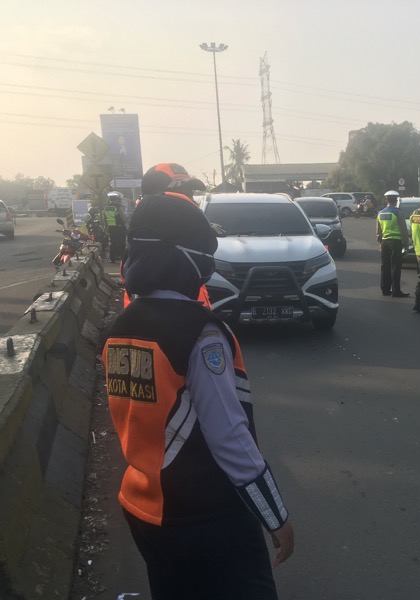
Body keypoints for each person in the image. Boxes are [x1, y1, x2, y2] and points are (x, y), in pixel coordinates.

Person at [102, 192, 294, 599]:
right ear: (185, 258)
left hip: (143, 510)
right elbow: (229, 438)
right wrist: (275, 516)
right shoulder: (200, 334)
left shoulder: (120, 327)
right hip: (204, 517)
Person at [122, 163, 211, 308]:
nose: (190, 199)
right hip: (171, 323)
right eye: (181, 193)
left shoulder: (141, 243)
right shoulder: (155, 252)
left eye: (189, 193)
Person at [376, 190, 410, 297]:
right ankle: (396, 290)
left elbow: (378, 232)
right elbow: (404, 231)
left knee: (385, 266)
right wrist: (406, 244)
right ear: (395, 200)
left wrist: (381, 242)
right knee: (395, 267)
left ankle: (385, 289)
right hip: (396, 243)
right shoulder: (397, 212)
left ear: (386, 200)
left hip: (385, 242)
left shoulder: (380, 213)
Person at [104, 191, 128, 262]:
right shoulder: (119, 207)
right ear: (117, 199)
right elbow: (123, 218)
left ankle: (112, 259)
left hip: (111, 227)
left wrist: (106, 228)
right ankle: (123, 258)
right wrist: (126, 226)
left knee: (113, 243)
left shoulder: (107, 207)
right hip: (120, 227)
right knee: (121, 243)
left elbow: (105, 218)